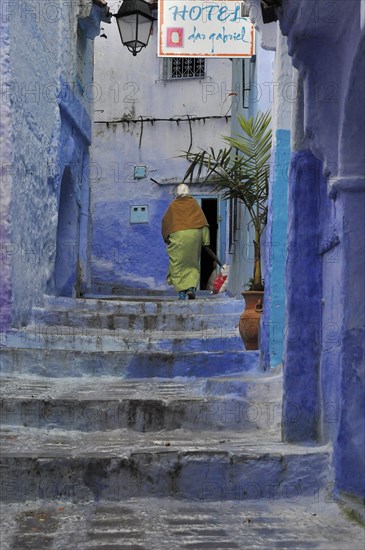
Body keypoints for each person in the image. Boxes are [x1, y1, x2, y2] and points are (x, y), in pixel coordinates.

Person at [161, 184, 210, 300]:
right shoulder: (194, 204)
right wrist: (206, 241)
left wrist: (167, 239)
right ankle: (191, 288)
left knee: (177, 264)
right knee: (192, 263)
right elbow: (203, 223)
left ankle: (182, 293)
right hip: (194, 236)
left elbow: (166, 223)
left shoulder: (173, 206)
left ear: (177, 193)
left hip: (178, 236)